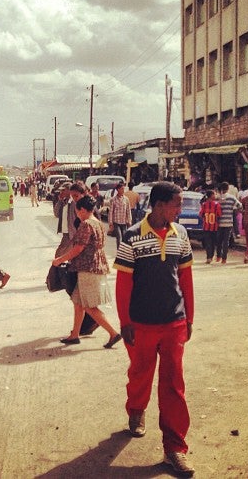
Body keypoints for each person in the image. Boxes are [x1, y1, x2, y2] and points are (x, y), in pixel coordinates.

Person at [114, 182, 195, 478]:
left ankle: (175, 448)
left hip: (173, 322)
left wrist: (189, 319)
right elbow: (124, 286)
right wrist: (125, 323)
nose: (180, 209)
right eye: (177, 204)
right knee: (140, 373)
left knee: (174, 384)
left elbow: (185, 280)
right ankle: (136, 410)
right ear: (159, 204)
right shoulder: (132, 237)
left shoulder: (181, 234)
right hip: (141, 324)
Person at [52, 195, 120, 348]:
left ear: (82, 210)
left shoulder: (86, 224)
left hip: (87, 268)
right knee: (78, 303)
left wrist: (60, 260)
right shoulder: (98, 222)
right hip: (96, 265)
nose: (76, 214)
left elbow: (78, 248)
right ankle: (74, 335)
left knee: (89, 306)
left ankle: (113, 333)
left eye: (77, 211)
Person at [54, 182, 98, 336]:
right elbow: (58, 215)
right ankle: (81, 329)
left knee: (80, 296)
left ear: (84, 193)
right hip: (74, 243)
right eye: (72, 195)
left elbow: (89, 231)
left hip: (84, 253)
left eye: (76, 196)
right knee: (78, 296)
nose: (74, 198)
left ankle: (92, 323)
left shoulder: (87, 208)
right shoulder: (70, 204)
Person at [216, 182, 241, 264]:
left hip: (219, 223)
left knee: (219, 240)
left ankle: (218, 256)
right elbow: (239, 205)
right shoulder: (232, 198)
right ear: (228, 188)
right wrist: (234, 210)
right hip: (229, 223)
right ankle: (224, 259)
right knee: (226, 241)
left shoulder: (217, 198)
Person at [198, 190, 221, 264]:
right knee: (213, 243)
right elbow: (219, 215)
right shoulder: (217, 205)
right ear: (211, 195)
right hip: (214, 227)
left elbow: (201, 214)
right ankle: (211, 256)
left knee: (208, 243)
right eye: (214, 194)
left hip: (206, 226)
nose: (216, 195)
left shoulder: (204, 205)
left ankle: (208, 257)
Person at [108, 182, 132, 251]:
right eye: (122, 189)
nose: (123, 190)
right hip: (116, 222)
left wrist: (129, 221)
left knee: (124, 237)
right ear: (118, 190)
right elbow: (111, 212)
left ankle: (123, 251)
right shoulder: (113, 199)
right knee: (119, 237)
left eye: (123, 189)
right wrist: (110, 223)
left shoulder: (126, 199)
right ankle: (119, 252)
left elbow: (128, 211)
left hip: (124, 222)